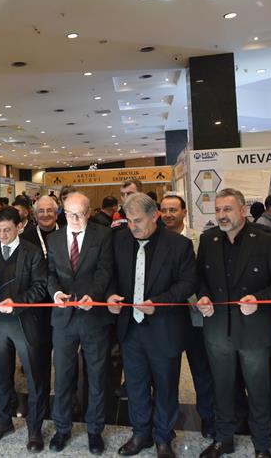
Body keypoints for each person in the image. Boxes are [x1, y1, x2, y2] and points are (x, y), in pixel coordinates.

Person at [195, 188, 271, 458]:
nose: (221, 215)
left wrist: (259, 299)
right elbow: (199, 277)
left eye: (227, 209)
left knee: (259, 390)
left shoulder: (266, 240)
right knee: (222, 387)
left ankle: (261, 444)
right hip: (217, 329)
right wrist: (203, 295)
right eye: (217, 210)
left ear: (243, 209)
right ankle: (223, 438)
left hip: (254, 330)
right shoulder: (208, 239)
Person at [107, 193, 198, 458]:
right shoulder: (120, 240)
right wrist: (110, 295)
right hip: (130, 328)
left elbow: (188, 283)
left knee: (165, 386)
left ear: (154, 216)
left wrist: (159, 302)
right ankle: (141, 434)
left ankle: (163, 437)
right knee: (135, 386)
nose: (132, 226)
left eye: (138, 220)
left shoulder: (178, 245)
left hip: (164, 327)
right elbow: (110, 274)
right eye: (128, 220)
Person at [47, 192, 113, 455]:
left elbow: (105, 270)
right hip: (63, 318)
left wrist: (93, 296)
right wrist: (55, 293)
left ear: (89, 212)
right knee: (62, 376)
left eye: (80, 214)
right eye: (69, 214)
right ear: (63, 213)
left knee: (96, 376)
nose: (74, 219)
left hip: (92, 316)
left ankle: (95, 430)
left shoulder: (103, 235)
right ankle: (62, 428)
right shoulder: (54, 238)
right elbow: (50, 272)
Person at [0, 206, 49, 452]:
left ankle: (34, 428)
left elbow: (41, 286)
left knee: (34, 376)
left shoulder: (32, 252)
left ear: (19, 226)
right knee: (0, 375)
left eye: (7, 230)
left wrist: (17, 302)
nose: (2, 235)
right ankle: (3, 421)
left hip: (24, 322)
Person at [159, 195, 214, 438]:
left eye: (173, 210)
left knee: (202, 370)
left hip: (195, 316)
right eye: (164, 210)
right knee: (166, 375)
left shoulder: (200, 240)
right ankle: (166, 423)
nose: (168, 214)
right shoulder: (156, 240)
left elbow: (203, 276)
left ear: (184, 212)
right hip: (167, 317)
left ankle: (208, 416)